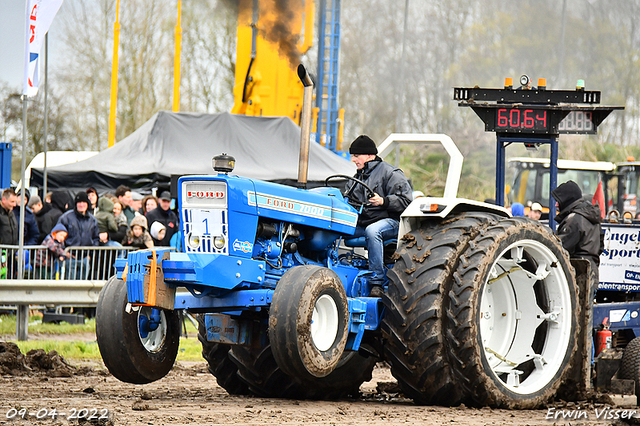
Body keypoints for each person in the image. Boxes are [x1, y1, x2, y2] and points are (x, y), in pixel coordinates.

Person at [345, 135, 413, 297]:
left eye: (356, 156)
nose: (353, 160)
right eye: (352, 156)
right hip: (364, 222)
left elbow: (406, 201)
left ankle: (377, 282)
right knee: (337, 229)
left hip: (392, 222)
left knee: (373, 231)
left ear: (369, 155)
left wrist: (384, 201)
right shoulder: (356, 178)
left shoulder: (390, 173)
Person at [551, 180, 602, 287]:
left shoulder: (573, 219)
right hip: (592, 274)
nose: (556, 205)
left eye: (558, 201)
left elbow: (560, 248)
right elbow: (600, 246)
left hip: (578, 276)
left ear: (567, 200)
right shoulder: (592, 217)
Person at [57, 192, 100, 279]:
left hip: (85, 258)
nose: (81, 205)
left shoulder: (93, 220)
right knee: (69, 283)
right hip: (70, 257)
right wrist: (65, 252)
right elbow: (57, 236)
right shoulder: (65, 218)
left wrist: (90, 254)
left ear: (87, 204)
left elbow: (96, 238)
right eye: (79, 202)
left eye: (84, 202)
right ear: (75, 204)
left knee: (83, 284)